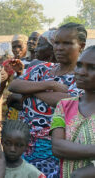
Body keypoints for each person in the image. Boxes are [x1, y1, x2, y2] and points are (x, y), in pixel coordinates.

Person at [8, 22, 87, 177]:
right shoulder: (42, 69)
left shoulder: (83, 76)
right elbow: (15, 85)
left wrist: (31, 91)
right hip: (24, 148)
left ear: (81, 46)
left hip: (56, 151)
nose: (59, 48)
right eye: (57, 43)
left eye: (67, 43)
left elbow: (65, 101)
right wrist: (50, 84)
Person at [51, 46, 95, 178]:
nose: (81, 72)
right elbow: (57, 147)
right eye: (79, 65)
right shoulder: (64, 106)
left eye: (92, 67)